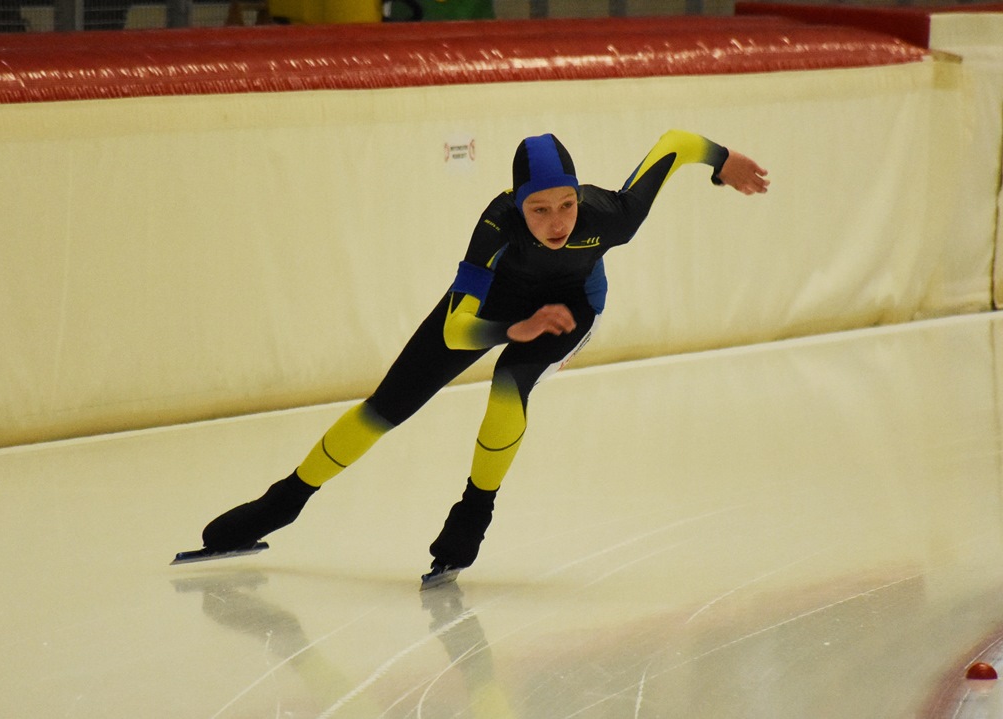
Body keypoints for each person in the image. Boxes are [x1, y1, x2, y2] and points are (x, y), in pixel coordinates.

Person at [198, 129, 769, 586]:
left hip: (569, 309)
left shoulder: (611, 216)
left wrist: (722, 161)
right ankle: (283, 502)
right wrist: (510, 328)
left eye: (566, 204)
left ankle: (474, 511)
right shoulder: (496, 226)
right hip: (488, 311)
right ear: (518, 205)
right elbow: (457, 330)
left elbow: (675, 144)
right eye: (539, 209)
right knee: (386, 406)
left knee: (508, 383)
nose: (557, 222)